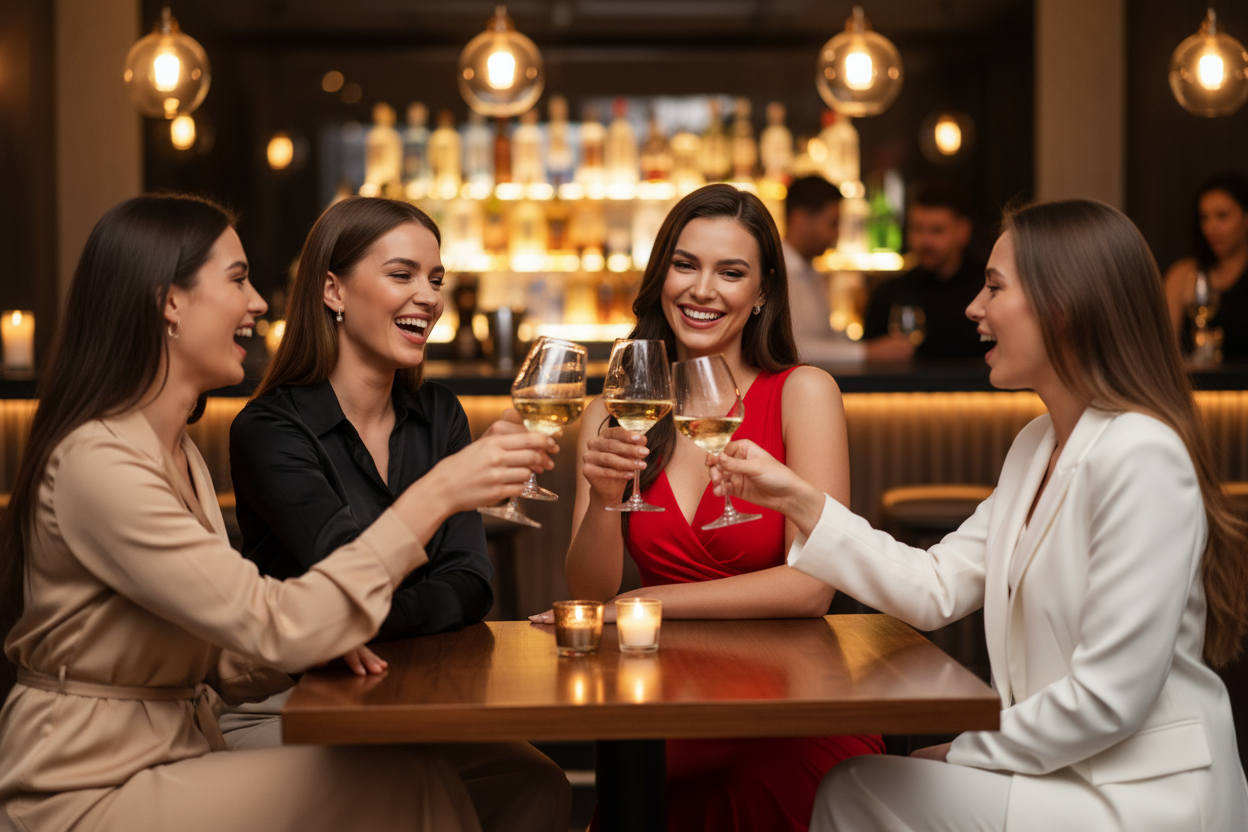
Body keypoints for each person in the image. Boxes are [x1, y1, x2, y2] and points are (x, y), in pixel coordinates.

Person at [0, 194, 559, 832]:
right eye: (237, 280)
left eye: (435, 279)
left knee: (507, 781)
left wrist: (328, 640)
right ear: (169, 302)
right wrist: (439, 493)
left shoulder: (174, 451)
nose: (260, 302)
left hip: (178, 749)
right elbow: (273, 622)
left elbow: (225, 654)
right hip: (86, 784)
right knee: (405, 782)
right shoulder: (98, 463)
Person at [711, 199, 1248, 832]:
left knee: (858, 788)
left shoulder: (1143, 454)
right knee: (859, 786)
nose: (974, 308)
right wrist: (797, 498)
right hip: (1063, 777)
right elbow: (935, 585)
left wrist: (966, 751)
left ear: (1063, 307)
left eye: (994, 287)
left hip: (1138, 798)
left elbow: (1109, 701)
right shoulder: (1036, 444)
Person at [536, 183, 883, 832]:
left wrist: (643, 605)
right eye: (686, 264)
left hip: (793, 702)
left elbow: (813, 586)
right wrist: (606, 506)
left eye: (731, 273)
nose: (703, 290)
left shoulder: (805, 392)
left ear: (761, 293)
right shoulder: (615, 410)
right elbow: (589, 587)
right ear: (660, 273)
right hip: (664, 696)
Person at [225, 196, 571, 831]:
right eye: (402, 274)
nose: (429, 298)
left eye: (436, 280)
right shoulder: (270, 429)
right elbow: (343, 572)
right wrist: (387, 605)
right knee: (425, 789)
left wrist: (374, 622)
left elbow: (470, 586)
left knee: (536, 786)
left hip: (412, 698)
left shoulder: (439, 414)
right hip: (295, 700)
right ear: (333, 289)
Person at [862, 179, 987, 359]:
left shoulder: (985, 290)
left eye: (937, 230)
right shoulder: (889, 294)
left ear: (963, 231)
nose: (925, 240)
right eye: (918, 229)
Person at [1164, 172, 1248, 357]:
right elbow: (1164, 349)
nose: (1212, 227)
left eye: (1222, 216)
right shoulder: (1184, 273)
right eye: (1204, 217)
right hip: (1195, 384)